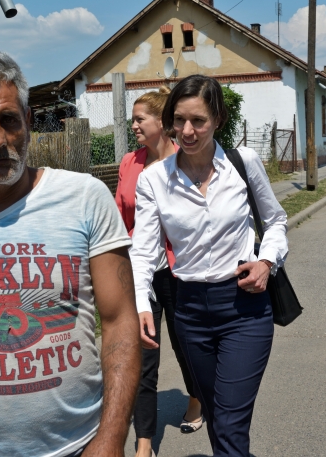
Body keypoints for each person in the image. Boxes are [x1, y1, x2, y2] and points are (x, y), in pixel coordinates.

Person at [0, 49, 141, 457]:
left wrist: (110, 438)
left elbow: (120, 321)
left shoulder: (84, 198)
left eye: (9, 121)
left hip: (79, 445)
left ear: (29, 122)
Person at [129, 74, 288, 456]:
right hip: (189, 312)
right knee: (217, 414)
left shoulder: (242, 162)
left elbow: (277, 220)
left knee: (230, 421)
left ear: (217, 118)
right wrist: (139, 303)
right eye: (179, 120)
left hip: (244, 308)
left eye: (198, 120)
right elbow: (144, 251)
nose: (187, 130)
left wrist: (267, 260)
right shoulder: (154, 180)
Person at [114, 87, 202, 457]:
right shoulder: (129, 163)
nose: (133, 125)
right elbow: (121, 217)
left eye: (139, 119)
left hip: (182, 272)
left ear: (161, 122)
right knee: (144, 357)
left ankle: (197, 399)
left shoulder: (188, 161)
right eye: (132, 119)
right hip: (142, 273)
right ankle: (144, 443)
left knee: (186, 347)